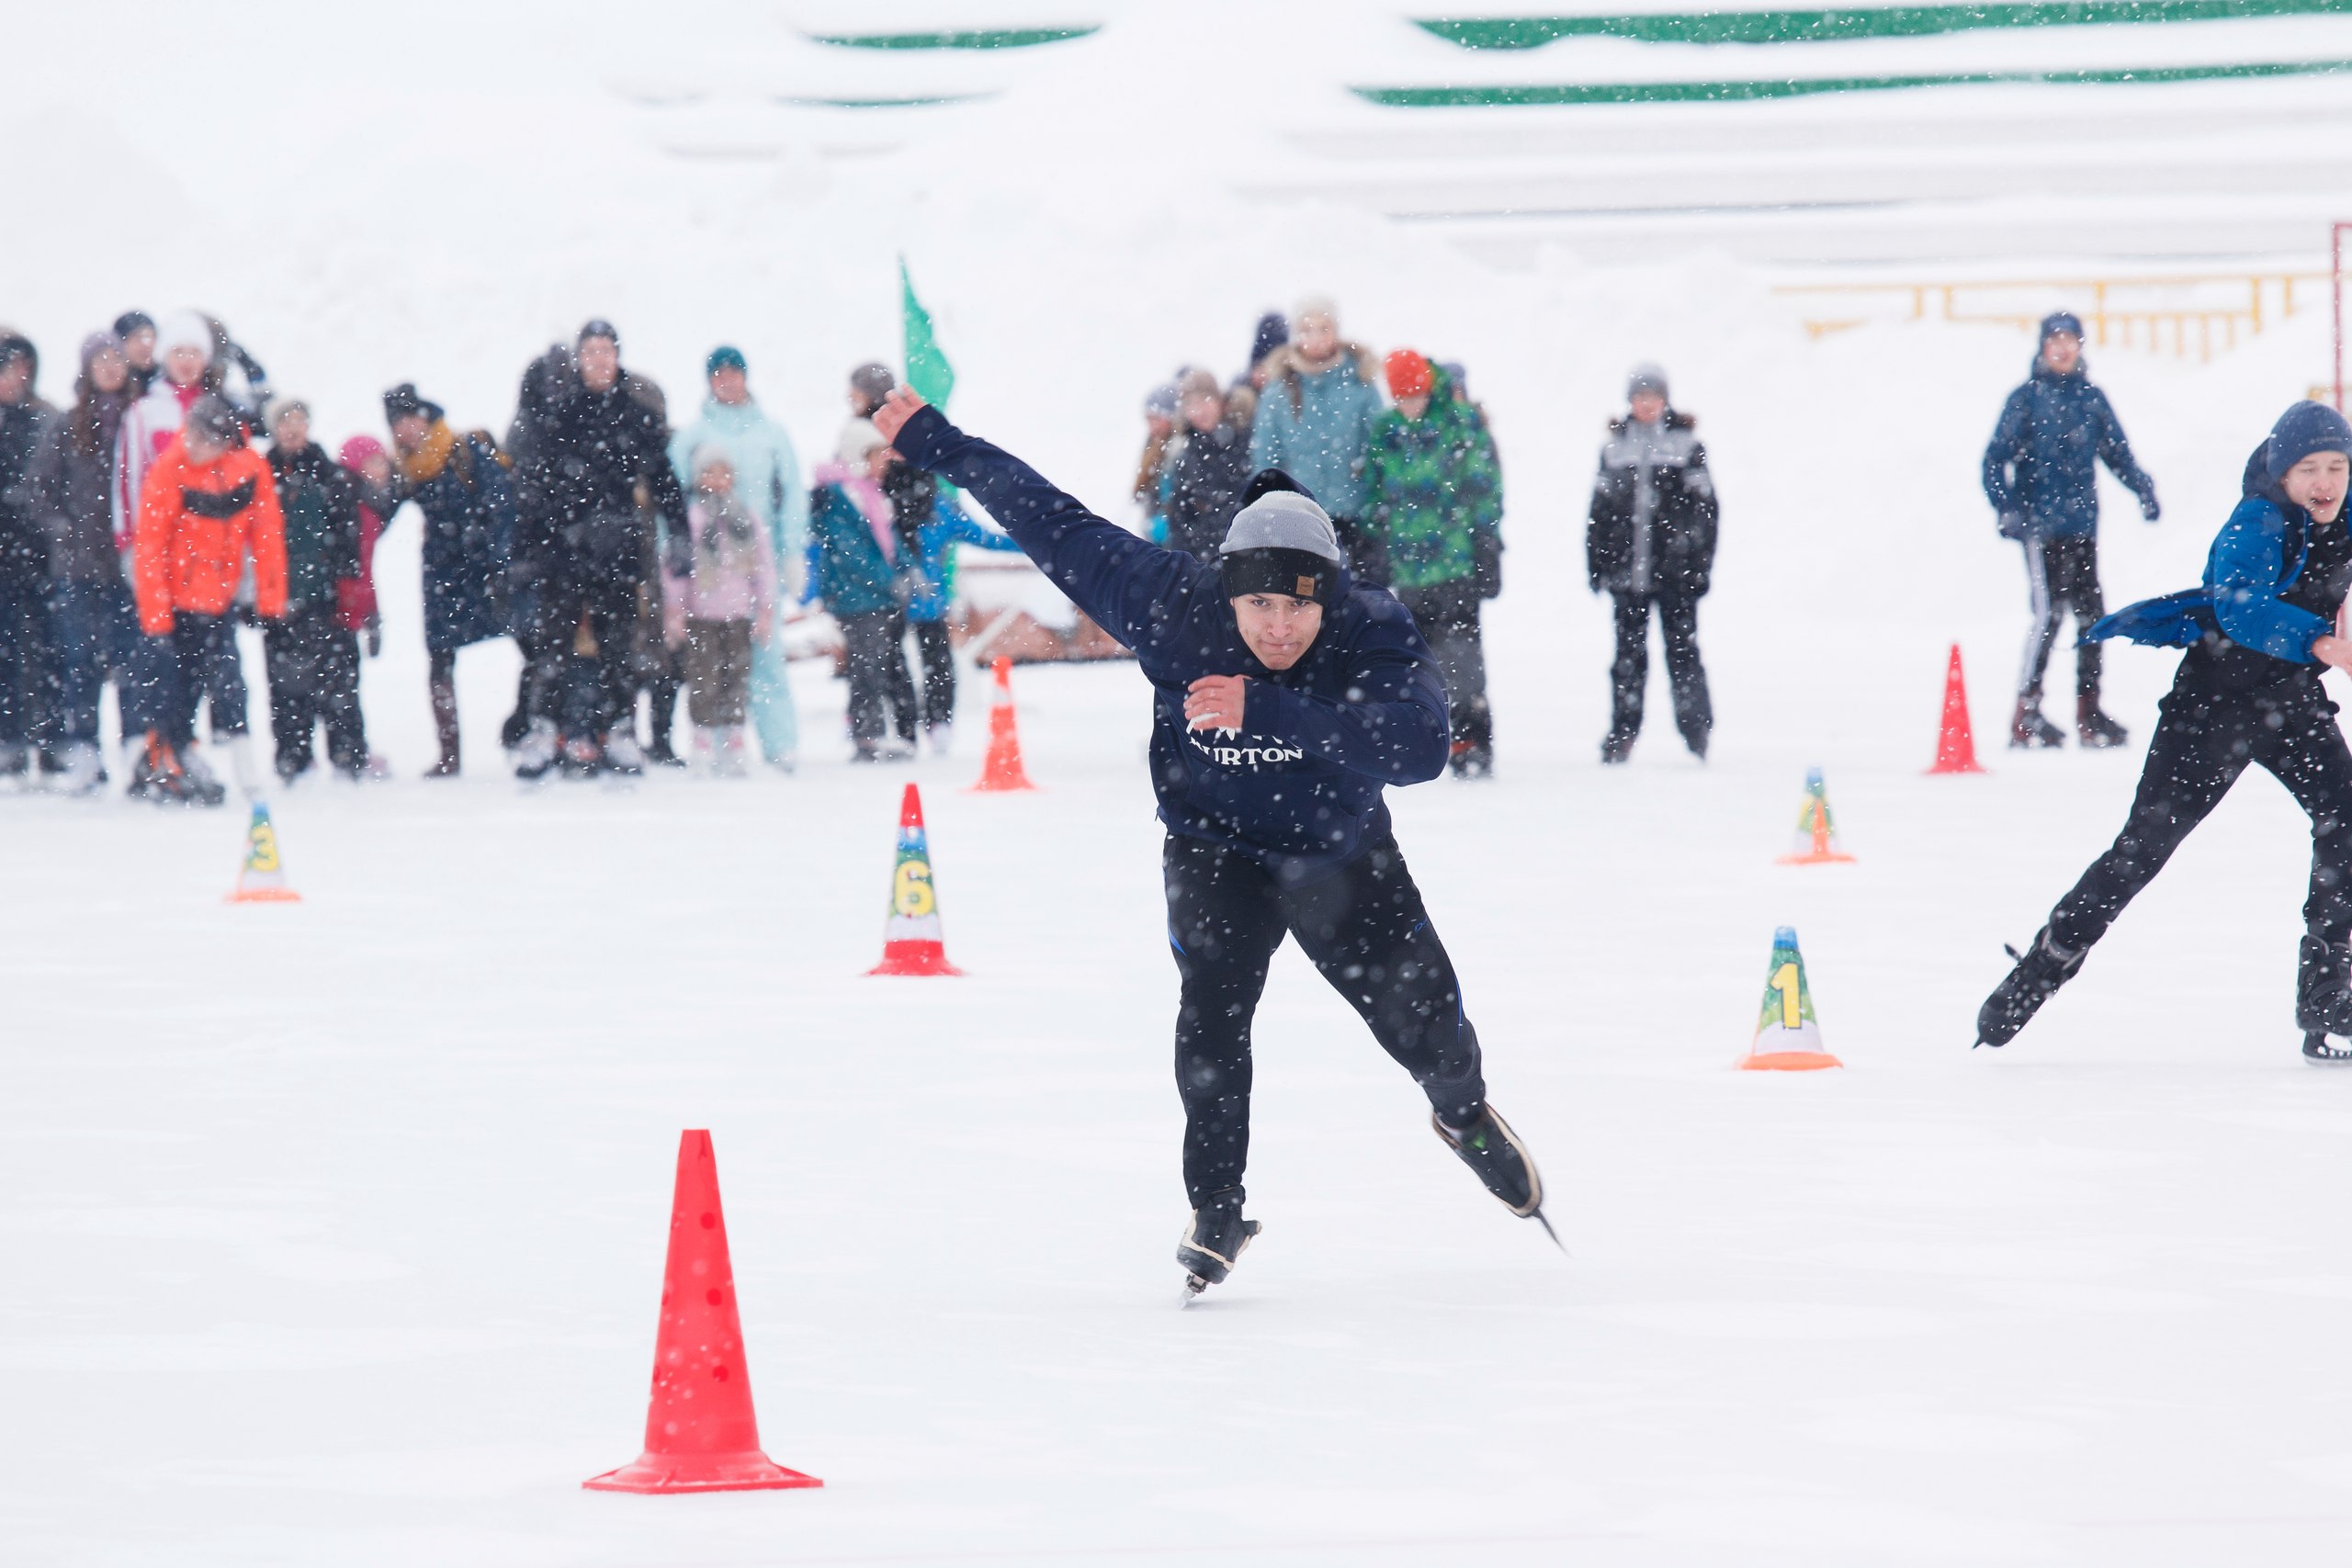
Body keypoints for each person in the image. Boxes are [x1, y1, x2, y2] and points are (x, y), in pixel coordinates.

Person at [872, 386, 1553, 1296]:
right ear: (1228, 591)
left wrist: (1273, 709)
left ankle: (1463, 1115)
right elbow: (1046, 517)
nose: (1277, 627)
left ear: (1329, 599)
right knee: (1212, 1019)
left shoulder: (1369, 626)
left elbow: (1424, 747)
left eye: (1297, 609)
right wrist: (936, 441)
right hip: (1214, 846)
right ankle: (1218, 1207)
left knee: (1428, 1031)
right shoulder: (1169, 601)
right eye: (1258, 604)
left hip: (1338, 851)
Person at [1980, 402, 2352, 1062]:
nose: (2324, 482)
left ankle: (2327, 996)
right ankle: (2048, 959)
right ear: (2282, 473)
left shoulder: (2344, 517)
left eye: (2337, 467)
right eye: (2308, 469)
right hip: (2213, 706)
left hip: (2289, 700)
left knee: (2346, 816)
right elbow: (2238, 605)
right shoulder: (2257, 521)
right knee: (2144, 848)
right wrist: (2322, 641)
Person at [510, 321, 684, 778]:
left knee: (618, 650)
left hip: (617, 551)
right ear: (579, 359)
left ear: (617, 356)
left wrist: (680, 531)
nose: (599, 360)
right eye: (590, 352)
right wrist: (526, 550)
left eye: (606, 351)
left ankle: (620, 731)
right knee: (552, 648)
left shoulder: (635, 413)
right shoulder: (558, 414)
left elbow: (663, 479)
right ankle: (545, 731)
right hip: (563, 552)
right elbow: (533, 487)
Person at [1983, 310, 2160, 749]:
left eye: (2070, 341)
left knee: (2092, 617)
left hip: (2081, 526)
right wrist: (2007, 508)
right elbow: (1994, 460)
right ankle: (2026, 713)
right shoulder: (2026, 399)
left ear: (2080, 347)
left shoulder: (2090, 399)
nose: (2062, 349)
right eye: (2055, 341)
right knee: (2048, 616)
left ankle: (2089, 711)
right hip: (2040, 528)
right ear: (2042, 347)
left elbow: (2117, 454)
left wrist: (2143, 488)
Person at [132, 394, 286, 804]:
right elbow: (150, 547)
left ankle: (231, 761)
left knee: (228, 683)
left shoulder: (250, 468)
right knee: (175, 690)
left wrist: (270, 598)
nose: (194, 445)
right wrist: (156, 619)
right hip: (176, 605)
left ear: (226, 441)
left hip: (220, 601)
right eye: (192, 435)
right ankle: (166, 759)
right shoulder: (170, 470)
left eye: (205, 439)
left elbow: (267, 534)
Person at [667, 346, 807, 771]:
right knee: (708, 666)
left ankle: (779, 743)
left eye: (734, 373)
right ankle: (713, 741)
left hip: (756, 565)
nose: (727, 381)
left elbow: (792, 492)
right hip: (706, 575)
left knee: (765, 655)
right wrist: (670, 555)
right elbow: (670, 500)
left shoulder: (771, 434)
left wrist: (792, 551)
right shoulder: (692, 436)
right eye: (719, 375)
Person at [1366, 350, 1504, 777]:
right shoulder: (1386, 432)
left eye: (1416, 395)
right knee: (1421, 659)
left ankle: (1472, 737)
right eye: (1401, 397)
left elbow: (1484, 485)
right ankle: (1430, 737)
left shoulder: (1459, 423)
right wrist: (1377, 543)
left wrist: (1486, 541)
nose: (1410, 404)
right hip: (1409, 566)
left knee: (1462, 654)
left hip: (1456, 560)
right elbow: (1375, 493)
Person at [20, 333, 143, 794]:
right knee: (81, 661)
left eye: (117, 359)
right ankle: (85, 749)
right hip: (77, 568)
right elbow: (40, 488)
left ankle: (137, 748)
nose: (110, 368)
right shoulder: (68, 423)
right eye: (102, 360)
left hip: (130, 566)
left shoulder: (139, 418)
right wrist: (63, 530)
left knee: (133, 662)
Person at [382, 383, 516, 777]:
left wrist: (501, 563)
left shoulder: (463, 450)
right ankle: (449, 754)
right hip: (442, 571)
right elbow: (382, 512)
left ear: (424, 418)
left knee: (531, 642)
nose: (405, 430)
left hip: (483, 566)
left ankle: (530, 727)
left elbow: (501, 505)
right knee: (439, 659)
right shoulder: (406, 467)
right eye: (397, 424)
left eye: (410, 420)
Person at [1588, 364, 1717, 764]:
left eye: (1653, 396)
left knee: (1682, 652)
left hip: (1676, 575)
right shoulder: (1614, 449)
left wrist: (1698, 563)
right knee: (1627, 658)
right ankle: (1623, 731)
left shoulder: (1686, 446)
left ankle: (1696, 729)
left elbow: (1706, 512)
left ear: (1665, 400)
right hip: (1627, 575)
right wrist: (1597, 563)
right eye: (1639, 396)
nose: (1646, 404)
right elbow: (1599, 513)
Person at [882, 450, 1023, 750]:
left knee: (893, 662)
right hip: (926, 599)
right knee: (936, 663)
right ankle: (937, 723)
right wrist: (1033, 544)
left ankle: (907, 729)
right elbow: (984, 538)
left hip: (888, 599)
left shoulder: (881, 504)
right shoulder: (938, 506)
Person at [1249, 296, 1388, 587]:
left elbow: (1379, 448)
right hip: (1299, 520)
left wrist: (1374, 500)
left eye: (1324, 328)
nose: (1315, 337)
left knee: (1362, 599)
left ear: (1336, 331)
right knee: (1307, 599)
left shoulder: (1360, 383)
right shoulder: (1279, 390)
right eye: (1307, 329)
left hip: (1355, 517)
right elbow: (1267, 459)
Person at [264, 400, 368, 782]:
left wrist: (348, 588)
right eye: (284, 421)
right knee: (286, 685)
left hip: (326, 598)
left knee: (339, 682)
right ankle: (294, 758)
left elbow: (349, 537)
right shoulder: (261, 474)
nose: (292, 428)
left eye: (299, 420)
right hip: (280, 599)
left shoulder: (331, 475)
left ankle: (347, 756)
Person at [806, 422, 920, 762]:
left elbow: (888, 540)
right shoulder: (838, 497)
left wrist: (908, 567)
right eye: (877, 456)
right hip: (854, 597)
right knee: (867, 666)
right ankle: (867, 736)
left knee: (877, 664)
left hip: (875, 596)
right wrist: (890, 579)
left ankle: (874, 732)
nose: (884, 463)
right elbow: (852, 553)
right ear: (859, 456)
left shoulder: (871, 494)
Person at [663, 448, 777, 774]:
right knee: (703, 679)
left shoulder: (745, 518)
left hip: (738, 614)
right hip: (701, 616)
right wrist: (675, 609)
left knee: (737, 677)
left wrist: (765, 607)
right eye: (709, 473)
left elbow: (763, 564)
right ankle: (702, 740)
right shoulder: (692, 518)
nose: (716, 481)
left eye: (723, 473)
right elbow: (677, 568)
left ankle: (734, 738)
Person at [0, 333, 52, 783]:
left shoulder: (45, 419)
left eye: (23, 367)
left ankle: (50, 740)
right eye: (8, 367)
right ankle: (9, 738)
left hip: (40, 557)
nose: (17, 377)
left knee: (45, 652)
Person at [1164, 369, 1253, 566]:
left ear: (1220, 400)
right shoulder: (1188, 453)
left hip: (1252, 551)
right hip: (1208, 559)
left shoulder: (1247, 438)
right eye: (1190, 404)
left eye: (1204, 400)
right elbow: (1179, 516)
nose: (1198, 411)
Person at [112, 311, 157, 396]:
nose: (146, 344)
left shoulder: (169, 381)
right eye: (137, 338)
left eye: (150, 337)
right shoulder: (111, 387)